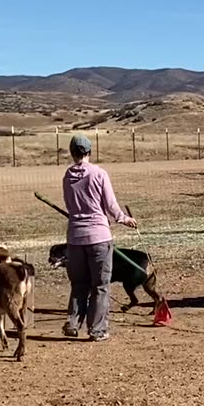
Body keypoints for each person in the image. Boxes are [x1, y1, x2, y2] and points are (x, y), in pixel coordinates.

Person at [61, 134, 136, 341]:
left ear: (72, 152)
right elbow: (110, 204)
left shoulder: (67, 176)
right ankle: (97, 330)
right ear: (89, 152)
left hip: (75, 237)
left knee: (78, 284)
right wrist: (123, 218)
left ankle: (73, 322)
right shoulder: (99, 173)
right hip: (99, 237)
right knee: (100, 286)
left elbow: (69, 204)